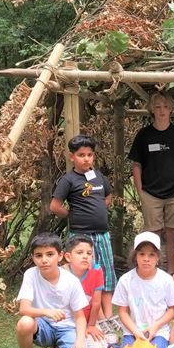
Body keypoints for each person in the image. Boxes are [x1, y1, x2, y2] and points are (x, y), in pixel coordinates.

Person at [50, 134, 117, 319]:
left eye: (89, 154)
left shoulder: (98, 176)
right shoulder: (68, 180)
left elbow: (108, 195)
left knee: (106, 273)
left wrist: (100, 208)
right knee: (86, 273)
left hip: (102, 235)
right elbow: (54, 206)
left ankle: (109, 317)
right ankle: (94, 316)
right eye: (81, 155)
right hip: (81, 236)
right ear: (72, 157)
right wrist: (72, 215)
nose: (86, 158)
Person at [13, 233, 92, 348]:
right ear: (33, 258)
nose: (44, 260)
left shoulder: (71, 281)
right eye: (39, 255)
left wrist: (80, 341)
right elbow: (24, 309)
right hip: (44, 327)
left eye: (50, 254)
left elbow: (80, 317)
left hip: (67, 328)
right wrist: (46, 312)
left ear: (60, 255)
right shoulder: (31, 275)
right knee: (25, 323)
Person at [128, 92, 174, 273]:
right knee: (153, 234)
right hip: (150, 193)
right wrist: (140, 191)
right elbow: (136, 165)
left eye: (165, 106)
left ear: (171, 109)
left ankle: (173, 270)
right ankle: (154, 270)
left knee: (173, 232)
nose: (162, 110)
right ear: (151, 110)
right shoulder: (143, 135)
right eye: (157, 106)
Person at [112, 231, 174, 348]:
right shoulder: (126, 280)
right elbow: (123, 312)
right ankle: (111, 346)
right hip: (132, 331)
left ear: (158, 258)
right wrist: (135, 331)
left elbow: (172, 310)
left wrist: (155, 326)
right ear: (135, 256)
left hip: (159, 331)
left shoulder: (166, 280)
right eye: (142, 254)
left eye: (151, 254)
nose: (146, 259)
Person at [61, 235, 114, 348]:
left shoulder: (96, 271)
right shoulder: (61, 273)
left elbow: (96, 302)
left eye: (89, 253)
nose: (85, 256)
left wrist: (90, 325)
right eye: (80, 252)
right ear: (68, 257)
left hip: (88, 320)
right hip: (68, 322)